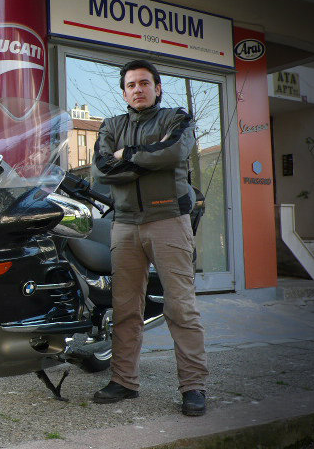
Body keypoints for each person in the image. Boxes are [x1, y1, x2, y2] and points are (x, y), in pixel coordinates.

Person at [91, 59, 208, 416]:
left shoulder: (176, 118)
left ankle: (193, 386)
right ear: (124, 92)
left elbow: (175, 151)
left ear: (157, 88)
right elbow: (101, 169)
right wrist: (149, 160)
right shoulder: (111, 125)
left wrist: (126, 155)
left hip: (168, 219)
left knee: (181, 307)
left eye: (144, 83)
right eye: (131, 85)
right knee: (125, 308)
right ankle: (124, 381)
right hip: (125, 224)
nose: (138, 89)